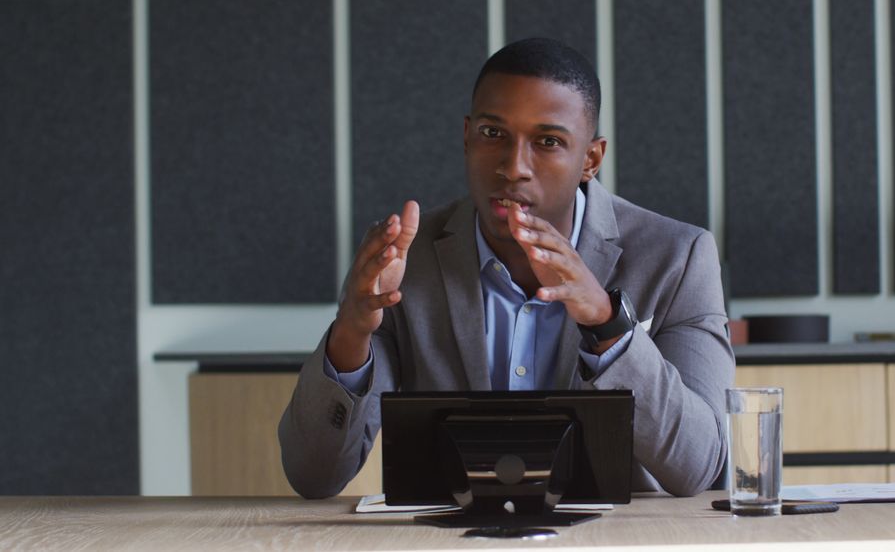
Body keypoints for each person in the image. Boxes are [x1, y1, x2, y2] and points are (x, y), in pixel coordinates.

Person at [279, 37, 735, 499]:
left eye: (548, 141)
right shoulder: (405, 260)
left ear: (591, 160)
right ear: (466, 136)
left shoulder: (678, 258)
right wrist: (351, 333)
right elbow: (313, 477)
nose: (513, 167)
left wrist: (606, 322)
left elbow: (698, 466)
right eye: (493, 134)